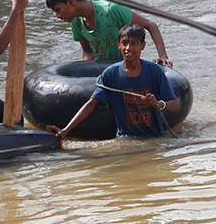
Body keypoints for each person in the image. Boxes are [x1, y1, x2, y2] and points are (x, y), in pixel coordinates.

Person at [48, 24, 179, 139]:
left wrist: (158, 103)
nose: (128, 48)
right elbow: (92, 104)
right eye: (125, 43)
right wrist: (65, 130)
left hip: (154, 137)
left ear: (142, 46)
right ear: (119, 45)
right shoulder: (111, 74)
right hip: (126, 137)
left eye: (134, 43)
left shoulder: (154, 71)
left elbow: (175, 104)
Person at [45, 0, 172, 67]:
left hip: (126, 66)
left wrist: (163, 56)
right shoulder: (76, 22)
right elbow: (88, 51)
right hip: (103, 68)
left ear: (71, 2)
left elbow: (150, 25)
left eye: (58, 10)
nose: (58, 16)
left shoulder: (111, 10)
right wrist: (86, 69)